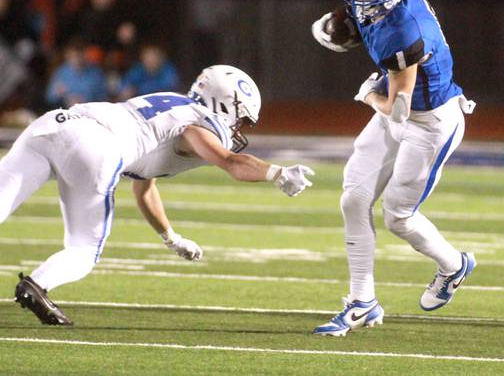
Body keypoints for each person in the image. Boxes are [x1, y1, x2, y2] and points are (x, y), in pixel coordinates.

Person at [1, 64, 314, 326]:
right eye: (242, 118)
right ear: (223, 103)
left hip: (54, 123)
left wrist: (171, 238)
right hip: (95, 144)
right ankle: (37, 284)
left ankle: (37, 286)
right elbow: (231, 163)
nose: (240, 127)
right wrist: (277, 172)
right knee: (83, 251)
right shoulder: (199, 122)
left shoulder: (169, 103)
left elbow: (144, 185)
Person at [311, 0, 476, 337]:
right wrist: (340, 26)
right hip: (402, 104)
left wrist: (369, 93)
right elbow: (355, 12)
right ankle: (361, 301)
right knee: (354, 197)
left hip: (429, 121)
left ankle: (454, 265)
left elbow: (398, 112)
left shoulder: (403, 29)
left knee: (398, 217)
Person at [45, 40, 107, 108]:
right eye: (73, 56)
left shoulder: (96, 72)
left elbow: (103, 97)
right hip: (66, 111)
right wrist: (58, 93)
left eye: (80, 55)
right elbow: (49, 98)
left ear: (85, 55)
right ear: (68, 56)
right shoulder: (61, 72)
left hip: (89, 111)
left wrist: (85, 100)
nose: (77, 59)